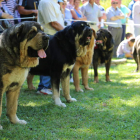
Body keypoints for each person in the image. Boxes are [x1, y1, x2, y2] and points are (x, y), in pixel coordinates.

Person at [36, 0, 64, 94]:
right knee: (47, 61)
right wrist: (67, 32)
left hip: (55, 36)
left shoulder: (55, 2)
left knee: (54, 63)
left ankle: (51, 87)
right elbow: (53, 23)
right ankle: (44, 87)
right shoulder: (46, 2)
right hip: (48, 37)